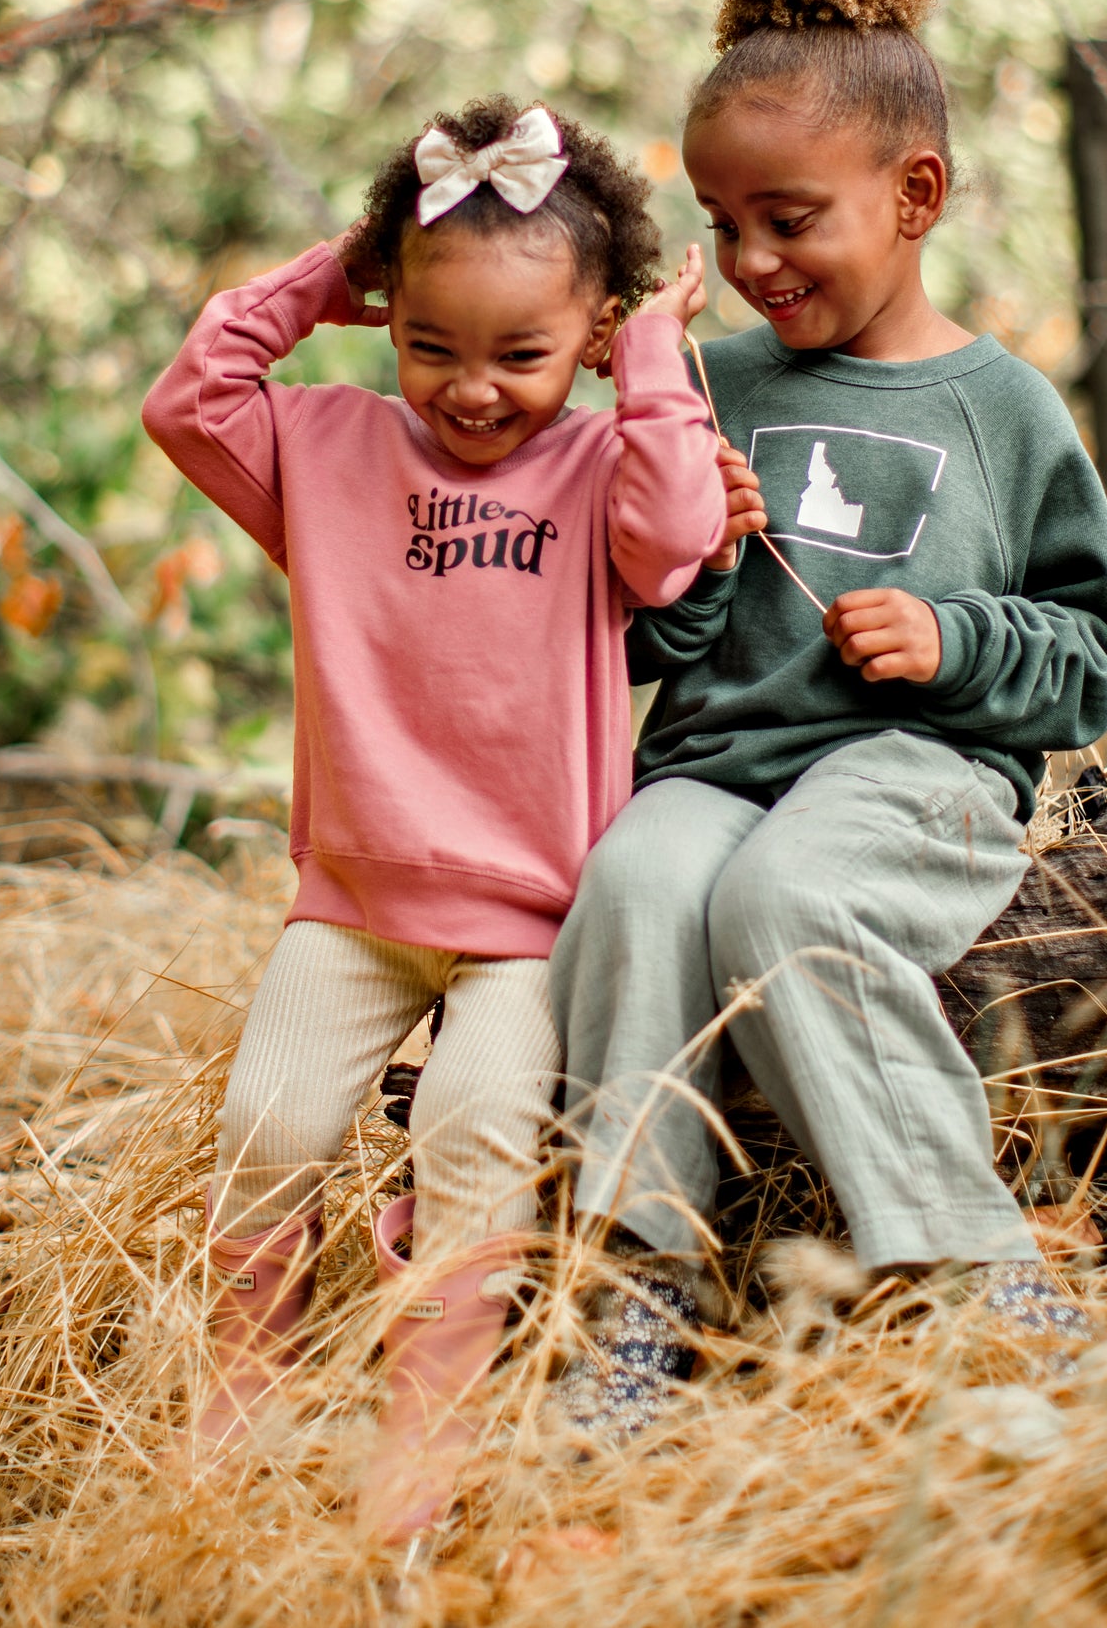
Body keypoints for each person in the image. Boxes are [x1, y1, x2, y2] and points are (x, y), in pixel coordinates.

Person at [548, 0, 1107, 1438]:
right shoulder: (706, 381)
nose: (750, 259)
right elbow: (649, 642)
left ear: (915, 191)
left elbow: (1098, 657)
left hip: (914, 779)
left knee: (784, 897)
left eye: (790, 218)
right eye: (725, 222)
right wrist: (684, 543)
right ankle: (635, 1284)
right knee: (634, 882)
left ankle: (975, 1273)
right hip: (717, 769)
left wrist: (954, 637)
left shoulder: (999, 410)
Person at [141, 96, 726, 1523]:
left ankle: (432, 1417)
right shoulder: (328, 453)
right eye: (430, 345)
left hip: (532, 918)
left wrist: (649, 362)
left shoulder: (600, 468)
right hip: (349, 900)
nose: (471, 388)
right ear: (386, 318)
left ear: (587, 338)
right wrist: (333, 275)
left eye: (522, 354)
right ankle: (247, 1387)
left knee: (474, 1137)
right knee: (268, 1130)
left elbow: (675, 545)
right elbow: (188, 400)